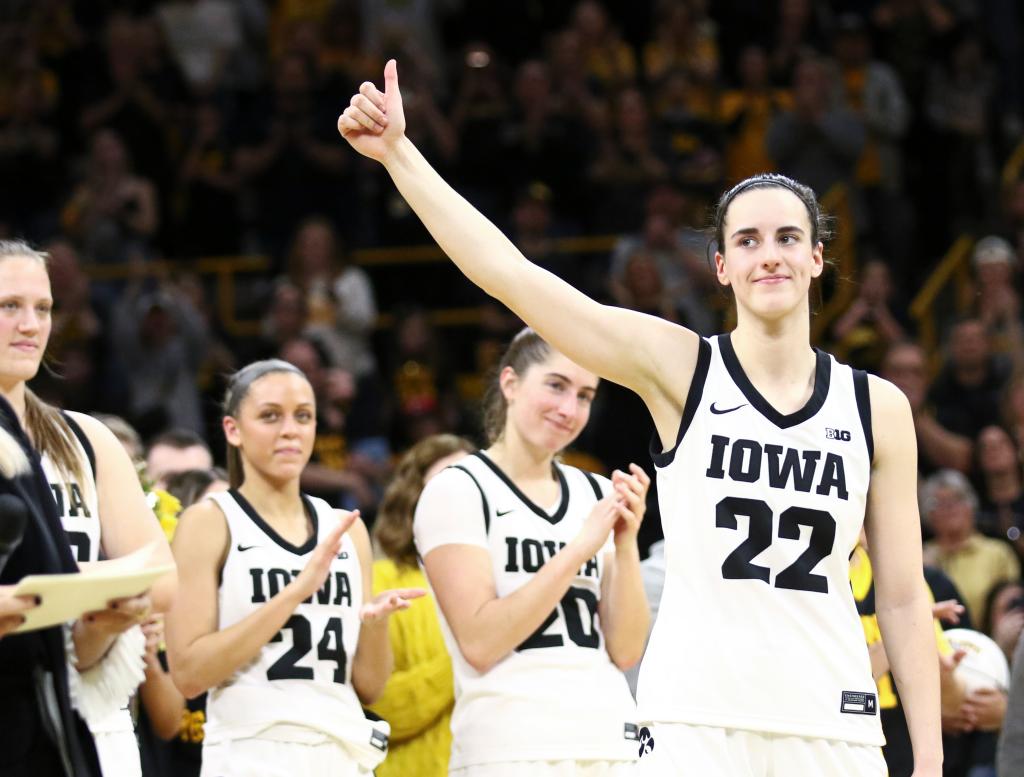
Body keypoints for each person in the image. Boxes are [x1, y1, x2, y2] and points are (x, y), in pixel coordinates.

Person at [338, 61, 942, 776]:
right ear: (720, 265)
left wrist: (928, 761)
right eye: (746, 241)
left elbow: (902, 597)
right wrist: (400, 156)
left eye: (786, 237)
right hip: (695, 719)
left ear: (817, 257)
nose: (768, 255)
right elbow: (512, 276)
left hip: (831, 720)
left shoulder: (880, 407)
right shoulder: (681, 367)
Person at [165, 359, 423, 776]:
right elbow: (190, 674)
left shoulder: (346, 530)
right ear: (233, 430)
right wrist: (293, 594)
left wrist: (375, 626)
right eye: (270, 416)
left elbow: (371, 688)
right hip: (251, 752)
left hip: (341, 751)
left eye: (303, 416)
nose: (290, 430)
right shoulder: (208, 522)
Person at [411, 327, 650, 775]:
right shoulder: (457, 489)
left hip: (609, 740)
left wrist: (626, 541)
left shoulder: (594, 491)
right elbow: (481, 642)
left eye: (584, 395)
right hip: (510, 747)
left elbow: (626, 650)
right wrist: (580, 547)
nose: (569, 408)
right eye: (556, 386)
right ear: (511, 383)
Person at [1, 240, 177, 777]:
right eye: (9, 306)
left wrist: (83, 608)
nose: (30, 324)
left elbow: (163, 578)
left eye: (44, 308)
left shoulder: (86, 438)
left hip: (89, 714)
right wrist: (88, 586)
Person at [368, 433, 475, 777]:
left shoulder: (508, 581)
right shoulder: (380, 581)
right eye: (447, 484)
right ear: (413, 498)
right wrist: (469, 651)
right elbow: (379, 708)